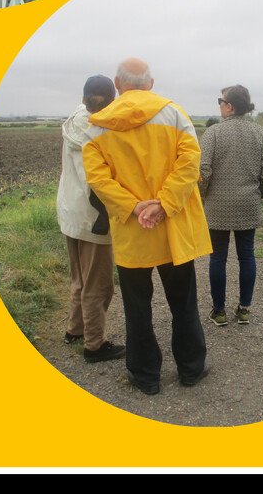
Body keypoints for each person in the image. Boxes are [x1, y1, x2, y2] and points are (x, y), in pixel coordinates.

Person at [82, 58, 212, 395]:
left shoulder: (97, 126)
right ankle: (191, 368)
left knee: (137, 307)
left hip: (131, 232)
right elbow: (190, 162)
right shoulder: (175, 115)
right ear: (150, 84)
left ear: (118, 84)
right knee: (183, 302)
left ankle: (145, 375)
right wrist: (164, 204)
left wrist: (134, 206)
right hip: (172, 231)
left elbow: (97, 178)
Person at [56, 75, 124, 363]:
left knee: (80, 279)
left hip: (70, 212)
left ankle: (75, 329)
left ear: (84, 99)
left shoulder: (74, 119)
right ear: (113, 101)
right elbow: (101, 182)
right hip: (94, 217)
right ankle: (95, 345)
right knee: (99, 284)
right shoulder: (99, 132)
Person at [198, 85, 263, 326]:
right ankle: (244, 309)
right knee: (247, 256)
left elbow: (203, 170)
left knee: (217, 258)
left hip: (217, 206)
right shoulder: (259, 133)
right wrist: (259, 194)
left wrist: (203, 196)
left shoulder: (212, 133)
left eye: (220, 101)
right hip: (248, 204)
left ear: (230, 106)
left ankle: (219, 311)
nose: (219, 105)